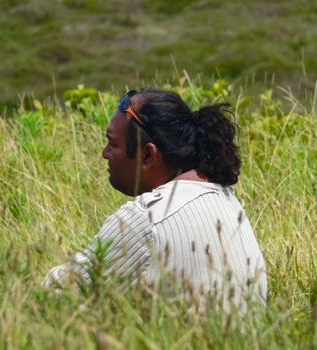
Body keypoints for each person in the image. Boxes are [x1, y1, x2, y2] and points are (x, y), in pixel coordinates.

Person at [43, 88, 267, 310]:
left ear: (148, 155)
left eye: (112, 144)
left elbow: (58, 294)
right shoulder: (228, 201)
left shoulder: (145, 219)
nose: (105, 153)